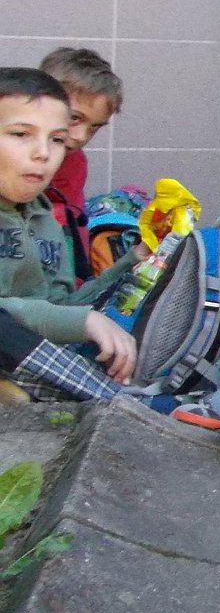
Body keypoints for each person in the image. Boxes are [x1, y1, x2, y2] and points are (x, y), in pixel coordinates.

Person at [0, 68, 138, 383]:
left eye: (57, 140)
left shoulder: (46, 220)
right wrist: (82, 321)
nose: (43, 153)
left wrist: (131, 263)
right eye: (20, 134)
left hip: (36, 363)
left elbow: (62, 306)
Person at [38, 47, 122, 280]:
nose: (81, 137)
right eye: (75, 118)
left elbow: (72, 232)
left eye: (95, 127)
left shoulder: (75, 161)